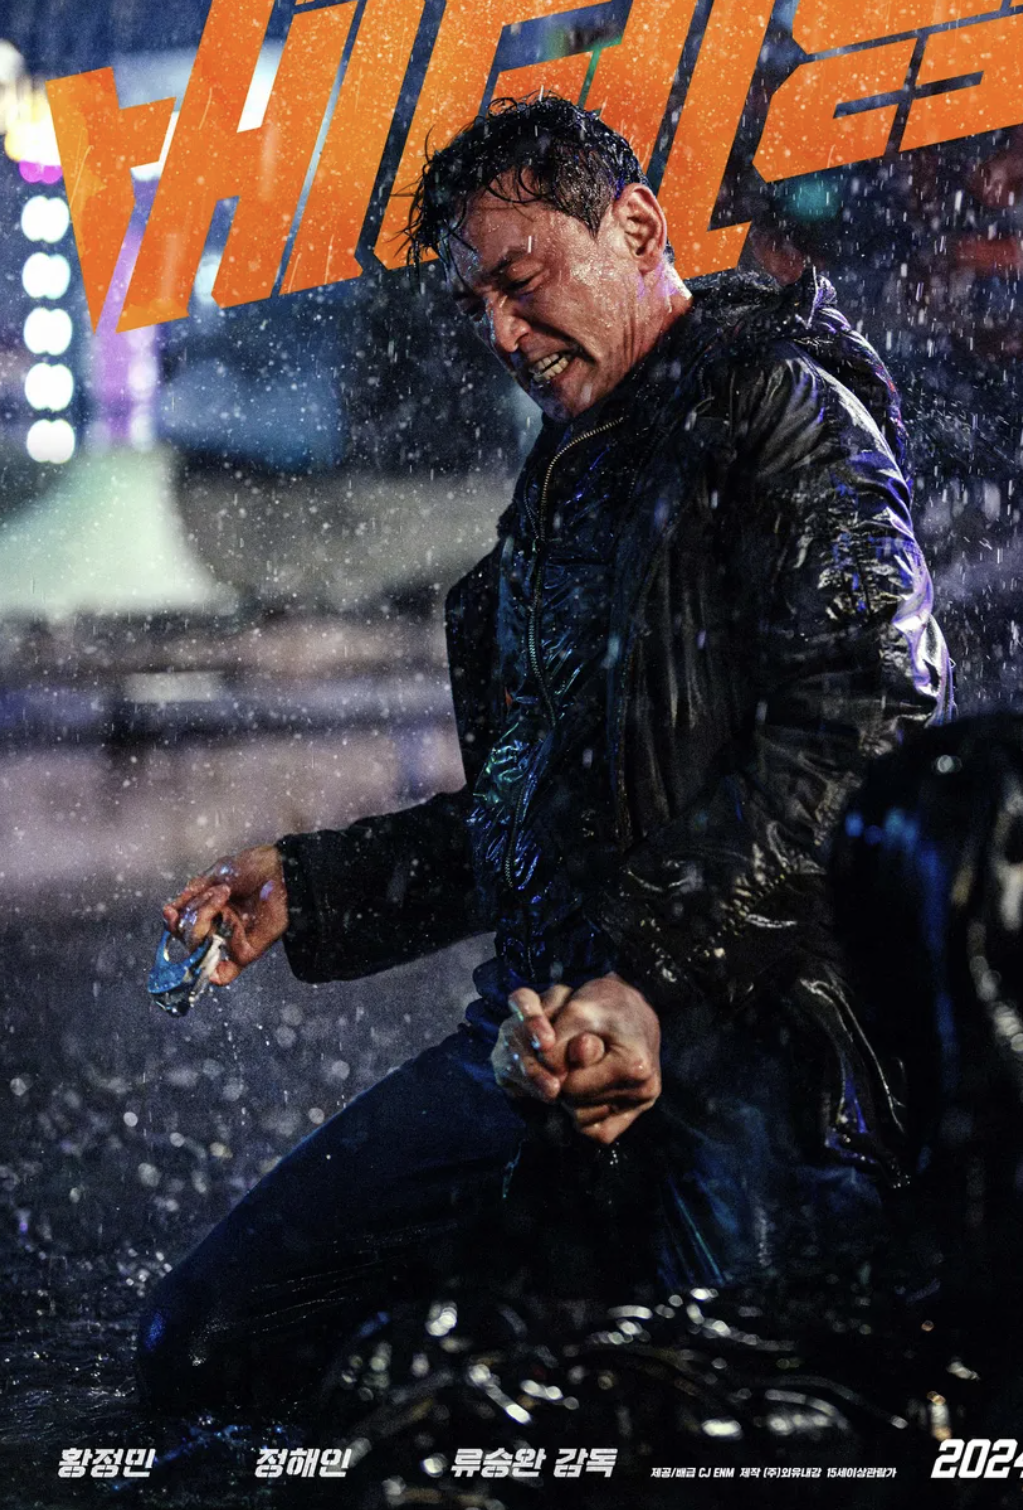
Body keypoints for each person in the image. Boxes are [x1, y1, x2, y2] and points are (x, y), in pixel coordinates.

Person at [138, 94, 952, 1413]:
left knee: (731, 1429)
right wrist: (316, 886)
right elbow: (545, 809)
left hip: (757, 1035)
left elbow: (868, 723)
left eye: (522, 283)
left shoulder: (776, 406)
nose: (504, 335)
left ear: (638, 227)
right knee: (202, 1343)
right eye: (479, 307)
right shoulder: (571, 471)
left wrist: (650, 981)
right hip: (537, 1035)